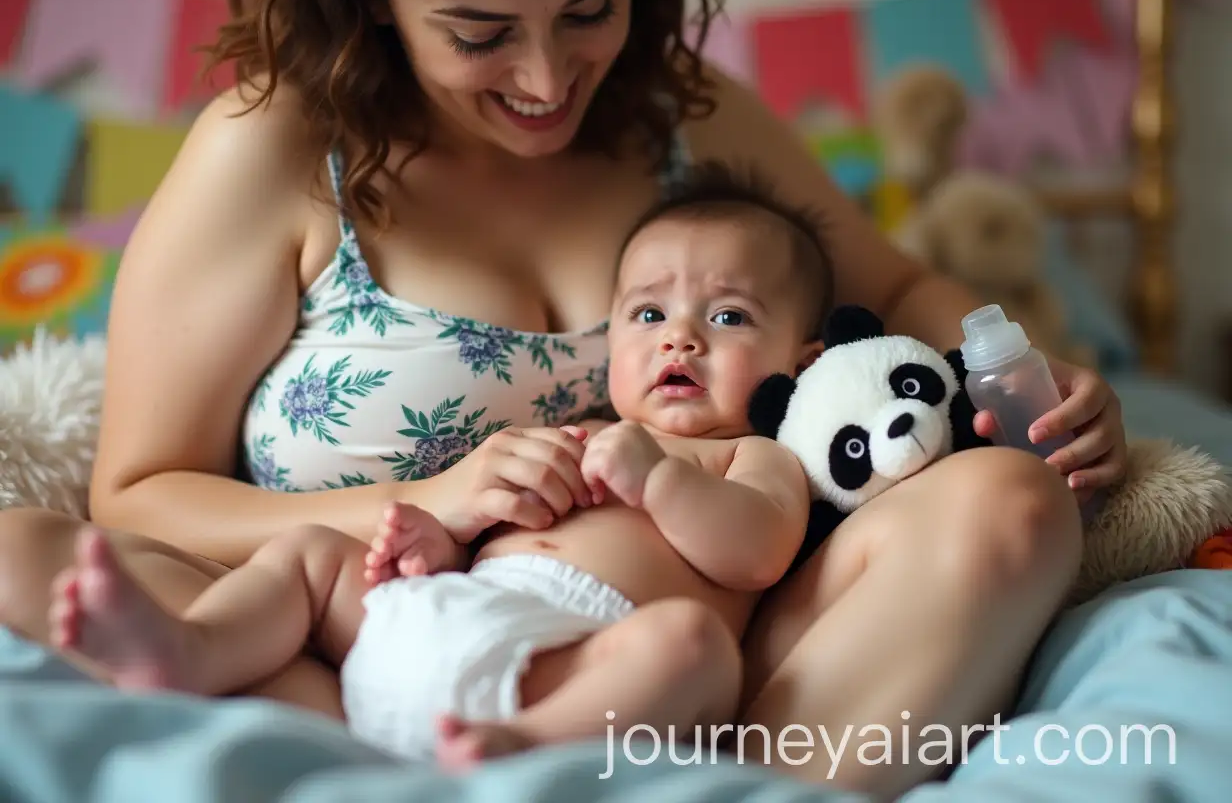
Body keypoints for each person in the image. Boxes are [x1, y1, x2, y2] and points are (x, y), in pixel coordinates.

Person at [0, 0, 1113, 795]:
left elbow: (898, 287)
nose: (546, 78)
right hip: (347, 649)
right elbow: (136, 492)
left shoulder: (686, 117)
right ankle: (382, 759)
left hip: (696, 671)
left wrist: (1031, 372)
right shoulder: (274, 149)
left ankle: (728, 782)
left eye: (590, 8)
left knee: (1012, 502)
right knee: (15, 550)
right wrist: (427, 503)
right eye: (480, 34)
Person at [47, 166, 826, 768]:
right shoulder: (579, 431)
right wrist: (434, 545)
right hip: (437, 622)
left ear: (803, 362)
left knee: (693, 647)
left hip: (575, 666)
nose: (679, 338)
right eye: (649, 314)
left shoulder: (754, 455)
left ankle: (524, 747)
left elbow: (756, 552)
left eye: (729, 316)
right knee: (309, 556)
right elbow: (496, 537)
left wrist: (659, 480)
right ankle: (195, 648)